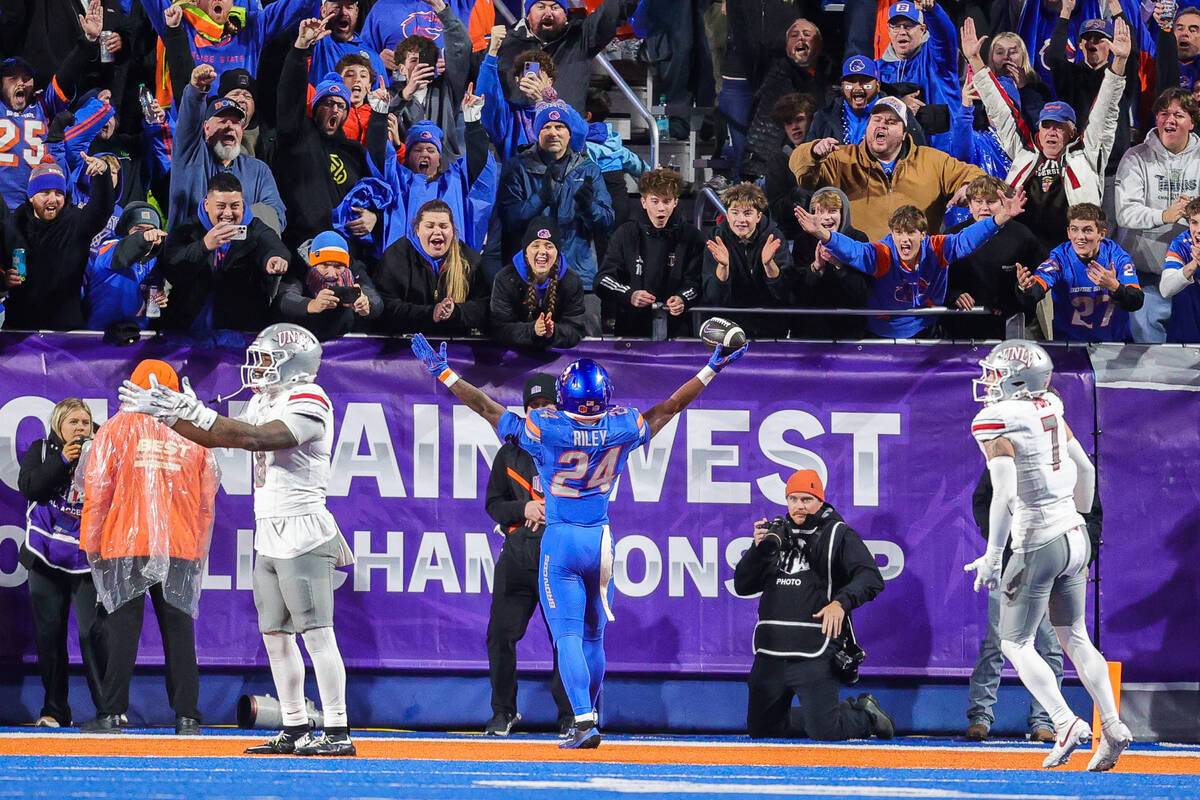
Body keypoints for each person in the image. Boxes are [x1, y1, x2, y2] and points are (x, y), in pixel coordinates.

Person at [408, 328, 749, 748]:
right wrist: (713, 366)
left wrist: (444, 375)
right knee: (593, 635)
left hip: (562, 538)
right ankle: (587, 713)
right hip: (601, 540)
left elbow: (486, 407)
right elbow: (670, 407)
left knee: (567, 633)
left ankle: (583, 721)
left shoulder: (546, 428)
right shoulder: (622, 426)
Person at [117, 324, 358, 756]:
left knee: (317, 635)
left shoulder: (310, 397)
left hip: (303, 529)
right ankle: (295, 726)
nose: (259, 367)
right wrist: (173, 416)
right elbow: (216, 437)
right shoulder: (264, 399)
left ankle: (338, 730)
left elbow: (256, 438)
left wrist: (198, 412)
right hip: (268, 530)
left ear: (294, 365)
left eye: (268, 359)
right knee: (276, 637)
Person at [965, 339, 1132, 771]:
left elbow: (1002, 494)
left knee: (1013, 641)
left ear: (1017, 380)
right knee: (1075, 635)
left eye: (996, 373)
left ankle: (1064, 722)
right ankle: (1112, 726)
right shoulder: (1050, 406)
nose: (988, 381)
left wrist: (993, 554)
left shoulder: (995, 418)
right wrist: (1075, 516)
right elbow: (1087, 470)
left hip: (1037, 537)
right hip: (1075, 534)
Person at [78, 359, 220, 735]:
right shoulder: (191, 433)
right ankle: (187, 716)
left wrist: (91, 543)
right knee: (179, 633)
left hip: (126, 544)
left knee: (122, 631)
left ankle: (110, 714)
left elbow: (97, 489)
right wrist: (195, 545)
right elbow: (207, 499)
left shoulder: (114, 430)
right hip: (180, 545)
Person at [734, 469, 890, 741]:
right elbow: (743, 586)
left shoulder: (838, 534)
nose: (799, 506)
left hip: (815, 650)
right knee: (762, 730)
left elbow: (870, 576)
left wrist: (841, 602)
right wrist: (757, 553)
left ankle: (864, 715)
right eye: (793, 499)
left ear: (820, 500)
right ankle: (828, 712)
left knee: (825, 732)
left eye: (806, 499)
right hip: (771, 651)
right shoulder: (775, 537)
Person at [963, 17, 1128, 251]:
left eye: (1059, 126)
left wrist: (1119, 61)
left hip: (1072, 250)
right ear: (1038, 129)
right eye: (1046, 125)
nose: (1052, 132)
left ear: (1071, 132)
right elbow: (998, 108)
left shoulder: (1087, 153)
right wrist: (975, 60)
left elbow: (1106, 108)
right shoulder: (1024, 150)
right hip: (1025, 248)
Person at [794, 190, 1028, 338]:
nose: (904, 240)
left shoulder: (937, 248)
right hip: (881, 335)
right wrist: (823, 234)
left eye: (911, 233)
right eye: (898, 233)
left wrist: (1001, 217)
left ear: (923, 234)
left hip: (926, 330)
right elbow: (854, 250)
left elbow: (967, 239)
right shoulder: (883, 253)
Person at [483, 373, 574, 737]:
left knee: (568, 638)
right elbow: (493, 504)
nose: (540, 411)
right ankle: (503, 711)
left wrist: (553, 511)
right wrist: (525, 511)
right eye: (533, 406)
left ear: (561, 407)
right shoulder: (509, 452)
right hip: (519, 557)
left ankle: (572, 714)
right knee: (499, 635)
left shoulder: (575, 449)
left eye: (547, 404)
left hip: (561, 558)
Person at [17, 399, 105, 728]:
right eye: (73, 422)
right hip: (44, 555)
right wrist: (61, 460)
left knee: (92, 632)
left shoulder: (102, 452)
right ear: (59, 426)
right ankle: (55, 710)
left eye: (85, 422)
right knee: (49, 635)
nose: (81, 428)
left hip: (86, 556)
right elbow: (30, 488)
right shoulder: (42, 450)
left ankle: (106, 710)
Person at [789, 96, 985, 241]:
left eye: (891, 122)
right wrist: (813, 151)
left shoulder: (933, 161)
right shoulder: (842, 158)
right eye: (877, 120)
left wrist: (969, 187)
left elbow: (979, 177)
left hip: (916, 270)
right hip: (861, 270)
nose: (881, 126)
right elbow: (803, 175)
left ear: (903, 133)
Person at [497, 100, 613, 311]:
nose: (553, 132)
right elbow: (508, 219)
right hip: (529, 278)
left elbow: (607, 221)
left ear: (569, 133)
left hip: (579, 278)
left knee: (585, 342)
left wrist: (588, 209)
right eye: (546, 127)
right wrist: (539, 199)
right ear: (536, 132)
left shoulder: (588, 169)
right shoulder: (517, 167)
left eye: (560, 127)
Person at [276, 17, 371, 250]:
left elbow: (373, 192)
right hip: (303, 246)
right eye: (327, 103)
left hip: (348, 250)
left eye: (340, 106)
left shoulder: (355, 153)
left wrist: (373, 217)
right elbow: (290, 95)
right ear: (316, 108)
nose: (334, 109)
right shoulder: (298, 134)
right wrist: (301, 49)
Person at [159, 173, 291, 339]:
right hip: (189, 325)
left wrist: (274, 258)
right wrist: (204, 246)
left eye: (235, 206)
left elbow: (274, 246)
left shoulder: (254, 227)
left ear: (242, 205)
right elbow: (172, 267)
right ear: (207, 205)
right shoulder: (187, 229)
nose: (228, 213)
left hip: (242, 327)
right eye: (221, 206)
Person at [1114, 89, 1200, 344]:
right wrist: (1165, 215)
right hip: (1146, 275)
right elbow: (1125, 212)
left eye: (1179, 114)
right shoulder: (1135, 157)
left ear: (1192, 122)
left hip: (1193, 275)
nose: (1170, 120)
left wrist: (1191, 214)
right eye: (1164, 114)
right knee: (1149, 354)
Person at [168, 64, 286, 232]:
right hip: (191, 254)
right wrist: (196, 89)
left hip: (241, 256)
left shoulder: (259, 170)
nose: (229, 126)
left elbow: (276, 216)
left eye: (236, 122)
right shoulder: (190, 155)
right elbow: (188, 123)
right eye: (222, 121)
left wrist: (233, 224)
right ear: (206, 128)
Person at [4, 155, 116, 332]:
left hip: (65, 329)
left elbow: (102, 209)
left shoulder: (77, 222)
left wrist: (102, 175)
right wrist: (4, 280)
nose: (53, 199)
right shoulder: (13, 224)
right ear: (31, 197)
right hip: (19, 327)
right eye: (45, 193)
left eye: (58, 193)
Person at [595, 168, 703, 338]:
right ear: (643, 202)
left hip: (678, 332)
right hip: (630, 331)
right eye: (655, 201)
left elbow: (698, 282)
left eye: (666, 201)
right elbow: (603, 280)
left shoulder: (692, 236)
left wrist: (683, 298)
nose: (661, 208)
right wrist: (629, 295)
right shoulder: (625, 233)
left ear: (675, 202)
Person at [1016, 203, 1144, 342]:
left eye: (1087, 230)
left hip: (1114, 343)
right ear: (1068, 233)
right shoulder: (1060, 257)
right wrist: (1026, 288)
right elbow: (1037, 289)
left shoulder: (1117, 257)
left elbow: (1136, 301)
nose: (1080, 237)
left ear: (1101, 234)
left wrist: (1114, 286)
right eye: (1074, 230)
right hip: (1071, 344)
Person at [943, 176, 1046, 340]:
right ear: (969, 205)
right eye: (978, 201)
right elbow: (935, 281)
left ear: (1003, 203)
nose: (984, 208)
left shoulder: (1023, 237)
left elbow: (1038, 283)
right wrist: (953, 295)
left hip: (1006, 326)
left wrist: (1016, 297)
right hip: (959, 325)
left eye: (991, 202)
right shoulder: (952, 236)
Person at [492, 0, 640, 113]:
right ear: (528, 13)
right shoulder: (504, 44)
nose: (548, 13)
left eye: (555, 7)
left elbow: (613, 11)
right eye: (541, 6)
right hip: (518, 144)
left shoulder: (581, 37)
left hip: (566, 143)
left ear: (565, 14)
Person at [372, 199, 490, 335]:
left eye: (443, 226)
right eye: (430, 226)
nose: (437, 231)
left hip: (454, 345)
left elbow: (484, 306)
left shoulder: (470, 261)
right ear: (417, 230)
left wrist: (455, 312)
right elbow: (385, 306)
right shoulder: (395, 256)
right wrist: (430, 313)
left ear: (453, 231)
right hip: (405, 345)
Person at [701, 182, 792, 338]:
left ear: (758, 216)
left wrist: (769, 264)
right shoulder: (716, 239)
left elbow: (784, 293)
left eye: (747, 213)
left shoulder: (774, 237)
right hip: (728, 328)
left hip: (769, 327)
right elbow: (713, 297)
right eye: (735, 212)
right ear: (727, 215)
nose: (740, 220)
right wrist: (723, 267)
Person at [389, 0, 472, 159]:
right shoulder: (391, 95)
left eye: (424, 60)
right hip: (406, 170)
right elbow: (382, 127)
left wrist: (441, 10)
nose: (418, 66)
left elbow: (461, 48)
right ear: (401, 68)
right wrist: (405, 95)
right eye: (413, 60)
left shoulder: (447, 88)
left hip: (445, 171)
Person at [490, 217, 586, 350]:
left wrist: (554, 332)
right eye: (535, 245)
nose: (542, 251)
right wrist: (532, 330)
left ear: (557, 253)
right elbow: (499, 329)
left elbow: (576, 330)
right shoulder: (505, 279)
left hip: (555, 360)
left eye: (549, 246)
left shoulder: (572, 281)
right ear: (525, 253)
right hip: (514, 358)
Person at [875, 0, 959, 152]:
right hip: (897, 155)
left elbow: (945, 37)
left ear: (923, 29)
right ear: (888, 29)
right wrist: (900, 106)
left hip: (942, 152)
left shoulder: (936, 58)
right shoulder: (877, 69)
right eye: (896, 26)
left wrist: (932, 11)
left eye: (908, 26)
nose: (902, 31)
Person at [276, 231, 380, 340]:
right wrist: (312, 305)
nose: (331, 274)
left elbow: (376, 300)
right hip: (300, 337)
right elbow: (285, 298)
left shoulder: (354, 269)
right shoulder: (299, 267)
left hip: (344, 339)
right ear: (313, 264)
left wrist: (367, 305)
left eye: (338, 267)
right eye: (324, 265)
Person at [84, 202, 168, 332]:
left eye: (151, 230)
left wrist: (158, 299)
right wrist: (143, 238)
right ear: (126, 230)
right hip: (99, 335)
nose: (147, 234)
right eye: (138, 230)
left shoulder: (153, 261)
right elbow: (125, 251)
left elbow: (150, 297)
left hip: (135, 335)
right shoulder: (109, 247)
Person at [1158, 197, 1200, 342]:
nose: (1198, 231)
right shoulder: (1181, 244)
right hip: (1186, 337)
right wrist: (1193, 265)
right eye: (1194, 222)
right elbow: (1166, 289)